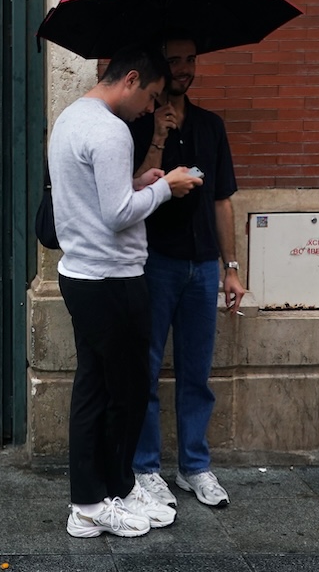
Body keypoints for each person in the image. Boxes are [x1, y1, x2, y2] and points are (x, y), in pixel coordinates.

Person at [48, 45, 201, 538]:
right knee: (124, 394)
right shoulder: (110, 129)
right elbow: (115, 216)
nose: (151, 109)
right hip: (112, 278)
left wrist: (138, 181)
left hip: (85, 275)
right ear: (131, 79)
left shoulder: (71, 117)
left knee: (97, 389)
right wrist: (166, 187)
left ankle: (98, 497)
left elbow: (98, 198)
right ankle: (97, 499)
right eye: (152, 96)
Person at [129, 37, 246, 509]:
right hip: (155, 262)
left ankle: (195, 467)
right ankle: (146, 468)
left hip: (201, 268)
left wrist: (230, 268)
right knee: (148, 370)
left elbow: (221, 200)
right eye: (173, 61)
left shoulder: (212, 127)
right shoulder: (137, 125)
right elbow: (130, 192)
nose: (183, 68)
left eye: (190, 60)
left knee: (197, 372)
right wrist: (157, 136)